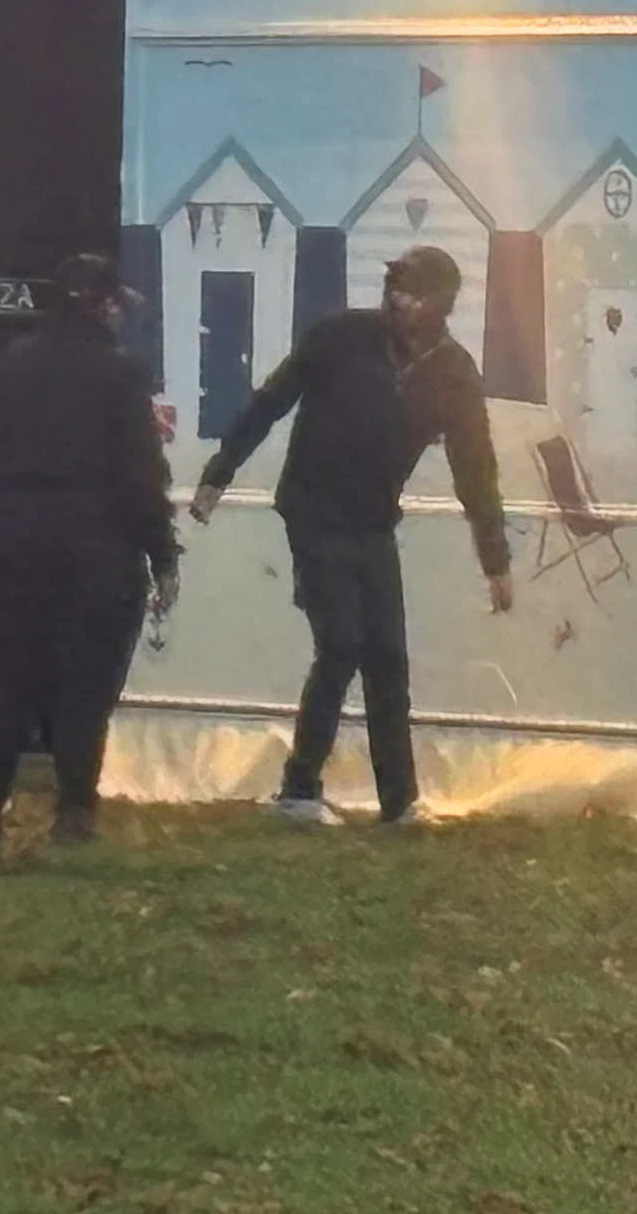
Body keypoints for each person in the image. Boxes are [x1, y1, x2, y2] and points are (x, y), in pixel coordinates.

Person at [187, 243, 513, 826]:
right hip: (312, 511)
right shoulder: (340, 337)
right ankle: (298, 792)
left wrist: (495, 559)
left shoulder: (453, 372)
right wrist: (219, 473)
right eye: (392, 285)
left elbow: (476, 468)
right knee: (340, 646)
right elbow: (271, 401)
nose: (395, 297)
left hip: (374, 520)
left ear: (441, 302)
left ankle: (399, 804)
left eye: (409, 290)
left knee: (387, 658)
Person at [0, 254, 179, 847]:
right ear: (104, 306)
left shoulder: (2, 367)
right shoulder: (120, 373)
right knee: (85, 680)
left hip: (11, 540)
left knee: (3, 677)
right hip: (95, 546)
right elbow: (140, 471)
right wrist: (162, 551)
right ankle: (74, 812)